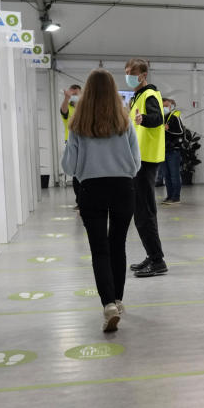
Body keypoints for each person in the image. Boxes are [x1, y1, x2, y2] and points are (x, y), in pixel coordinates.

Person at [61, 69, 140, 333]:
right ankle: (118, 299)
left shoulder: (78, 125)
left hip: (91, 189)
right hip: (123, 187)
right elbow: (137, 163)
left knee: (99, 249)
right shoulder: (125, 122)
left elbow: (69, 166)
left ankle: (107, 304)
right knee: (118, 244)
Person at [124, 58, 169, 278]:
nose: (129, 76)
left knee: (144, 212)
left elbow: (157, 118)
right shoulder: (138, 97)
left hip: (146, 160)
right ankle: (152, 256)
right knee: (141, 211)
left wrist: (145, 118)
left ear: (143, 75)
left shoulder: (150, 95)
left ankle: (157, 260)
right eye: (126, 72)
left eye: (132, 73)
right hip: (139, 160)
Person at [60, 84, 82, 209]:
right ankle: (79, 202)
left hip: (86, 143)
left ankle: (86, 200)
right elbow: (63, 111)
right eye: (72, 94)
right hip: (71, 144)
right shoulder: (67, 107)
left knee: (85, 172)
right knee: (75, 173)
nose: (74, 97)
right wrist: (66, 99)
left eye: (76, 94)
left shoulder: (85, 108)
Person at [160, 98, 185, 205]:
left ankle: (176, 197)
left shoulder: (175, 117)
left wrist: (168, 129)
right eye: (163, 106)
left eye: (166, 106)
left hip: (173, 151)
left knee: (174, 175)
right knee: (166, 175)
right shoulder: (162, 118)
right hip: (163, 150)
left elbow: (181, 132)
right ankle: (169, 196)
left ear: (171, 107)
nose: (164, 108)